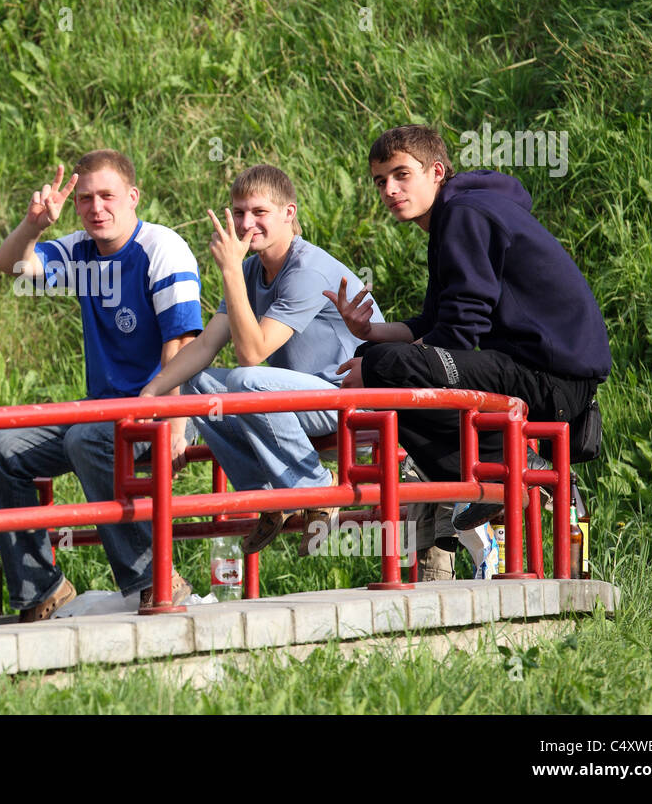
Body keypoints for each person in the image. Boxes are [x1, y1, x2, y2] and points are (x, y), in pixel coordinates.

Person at [328, 125, 610, 562]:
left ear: (435, 171)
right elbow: (437, 321)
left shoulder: (464, 214)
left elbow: (460, 334)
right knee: (377, 359)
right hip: (542, 376)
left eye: (402, 175)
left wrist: (384, 366)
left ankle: (509, 470)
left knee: (383, 368)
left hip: (552, 380)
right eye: (381, 181)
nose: (390, 190)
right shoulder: (457, 214)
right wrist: (371, 335)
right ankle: (507, 469)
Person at [0, 150, 203, 621]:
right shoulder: (79, 249)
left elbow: (180, 344)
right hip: (102, 413)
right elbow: (11, 266)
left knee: (85, 438)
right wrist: (33, 227)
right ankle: (42, 590)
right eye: (85, 199)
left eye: (107, 196)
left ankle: (157, 576)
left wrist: (176, 425)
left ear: (133, 197)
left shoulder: (161, 247)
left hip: (163, 404)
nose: (96, 208)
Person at [139, 164, 382, 556]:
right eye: (238, 213)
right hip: (305, 402)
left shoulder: (306, 268)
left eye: (259, 212)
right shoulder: (252, 269)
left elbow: (251, 354)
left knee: (249, 382)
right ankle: (269, 498)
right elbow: (203, 348)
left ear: (289, 213)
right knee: (198, 384)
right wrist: (151, 394)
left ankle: (318, 488)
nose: (246, 223)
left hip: (353, 399)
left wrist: (231, 272)